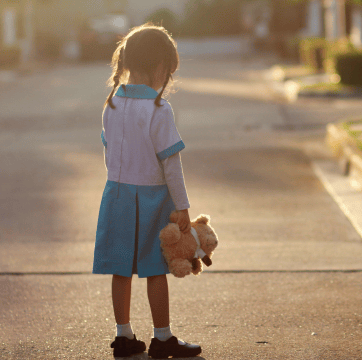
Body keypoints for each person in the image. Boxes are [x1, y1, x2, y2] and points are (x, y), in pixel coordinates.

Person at [92, 23, 201, 358]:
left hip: (117, 195)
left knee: (121, 268)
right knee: (156, 268)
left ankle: (123, 336)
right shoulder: (158, 109)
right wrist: (181, 206)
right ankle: (163, 338)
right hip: (153, 198)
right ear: (159, 68)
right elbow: (171, 164)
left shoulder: (111, 103)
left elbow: (110, 149)